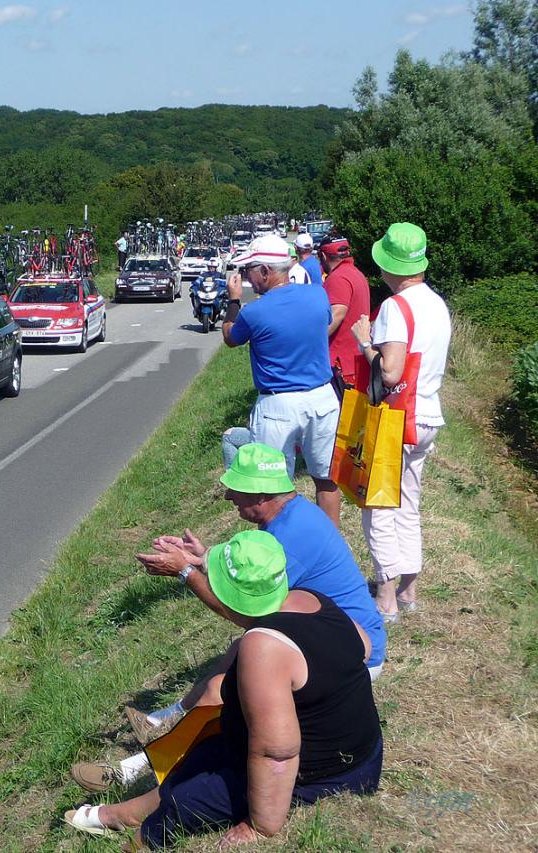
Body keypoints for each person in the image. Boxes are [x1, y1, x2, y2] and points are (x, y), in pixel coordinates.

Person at [70, 443, 386, 793]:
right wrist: (206, 559)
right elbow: (258, 592)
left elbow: (243, 614)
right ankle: (163, 721)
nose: (227, 497)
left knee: (225, 687)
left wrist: (186, 573)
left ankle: (138, 768)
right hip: (333, 638)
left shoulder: (289, 536)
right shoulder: (293, 517)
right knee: (239, 652)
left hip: (352, 657)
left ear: (262, 494)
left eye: (235, 489)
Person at [65, 531, 383, 848]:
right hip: (365, 750)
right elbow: (364, 646)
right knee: (203, 752)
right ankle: (128, 812)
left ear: (231, 597)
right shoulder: (311, 600)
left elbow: (277, 753)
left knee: (186, 800)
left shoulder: (263, 646)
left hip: (329, 774)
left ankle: (142, 838)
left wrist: (260, 826)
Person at [350, 222, 451, 620]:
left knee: (379, 506)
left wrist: (364, 343)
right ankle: (409, 591)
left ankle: (385, 598)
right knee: (409, 502)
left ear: (391, 266)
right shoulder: (437, 304)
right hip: (427, 415)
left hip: (397, 419)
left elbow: (390, 373)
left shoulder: (395, 307)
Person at [223, 235, 341, 526]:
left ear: (265, 271)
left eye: (250, 270)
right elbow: (322, 323)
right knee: (326, 479)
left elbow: (230, 337)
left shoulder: (254, 311)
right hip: (322, 397)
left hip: (278, 404)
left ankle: (281, 543)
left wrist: (233, 300)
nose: (247, 278)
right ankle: (330, 541)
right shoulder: (317, 295)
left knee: (272, 484)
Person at [319, 237, 371, 387]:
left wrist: (313, 340)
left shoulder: (337, 278)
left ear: (323, 256)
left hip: (340, 363)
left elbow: (338, 312)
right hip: (354, 360)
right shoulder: (356, 273)